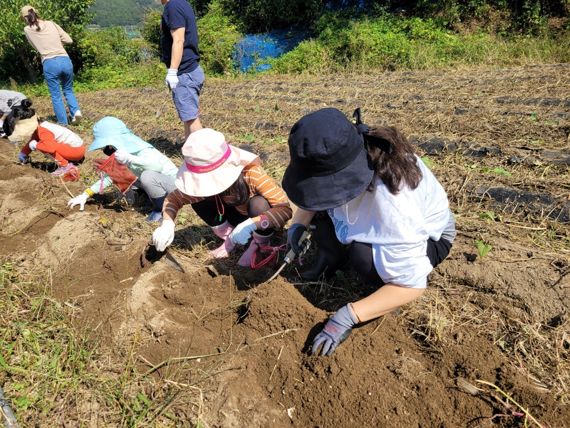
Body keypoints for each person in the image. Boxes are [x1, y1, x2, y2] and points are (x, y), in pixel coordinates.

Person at [282, 108, 456, 356]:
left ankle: (374, 287)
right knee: (320, 218)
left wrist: (348, 316)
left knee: (363, 257)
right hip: (381, 216)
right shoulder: (352, 150)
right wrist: (298, 224)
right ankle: (330, 258)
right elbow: (314, 192)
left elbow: (412, 284)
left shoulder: (394, 204)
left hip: (429, 238)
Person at [152, 128, 293, 267]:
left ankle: (260, 244)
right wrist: (167, 223)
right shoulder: (202, 185)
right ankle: (230, 238)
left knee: (258, 204)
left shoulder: (251, 174)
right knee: (199, 202)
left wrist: (252, 224)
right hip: (232, 217)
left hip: (257, 220)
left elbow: (284, 209)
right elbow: (173, 199)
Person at [68, 117, 178, 222]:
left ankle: (161, 210)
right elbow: (111, 176)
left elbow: (156, 167)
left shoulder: (140, 149)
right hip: (158, 184)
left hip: (175, 186)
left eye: (108, 146)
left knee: (146, 176)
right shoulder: (123, 153)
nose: (107, 150)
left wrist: (130, 159)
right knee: (131, 180)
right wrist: (85, 194)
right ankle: (151, 197)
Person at [21, 5, 82, 126]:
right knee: (68, 90)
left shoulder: (27, 30)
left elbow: (35, 47)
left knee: (56, 95)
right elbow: (69, 40)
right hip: (65, 59)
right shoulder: (51, 23)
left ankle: (63, 123)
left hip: (49, 62)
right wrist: (57, 42)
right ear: (36, 13)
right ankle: (76, 112)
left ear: (25, 18)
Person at [160, 0, 204, 138]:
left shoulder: (173, 6)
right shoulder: (181, 3)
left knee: (192, 121)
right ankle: (189, 154)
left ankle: (207, 156)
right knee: (188, 117)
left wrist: (172, 71)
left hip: (185, 72)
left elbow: (179, 40)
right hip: (190, 71)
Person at [12, 113, 86, 177]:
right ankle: (67, 161)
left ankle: (65, 167)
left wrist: (36, 145)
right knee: (42, 144)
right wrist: (24, 152)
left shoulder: (43, 130)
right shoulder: (40, 126)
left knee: (44, 146)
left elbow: (49, 149)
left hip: (76, 151)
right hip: (77, 148)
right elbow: (34, 139)